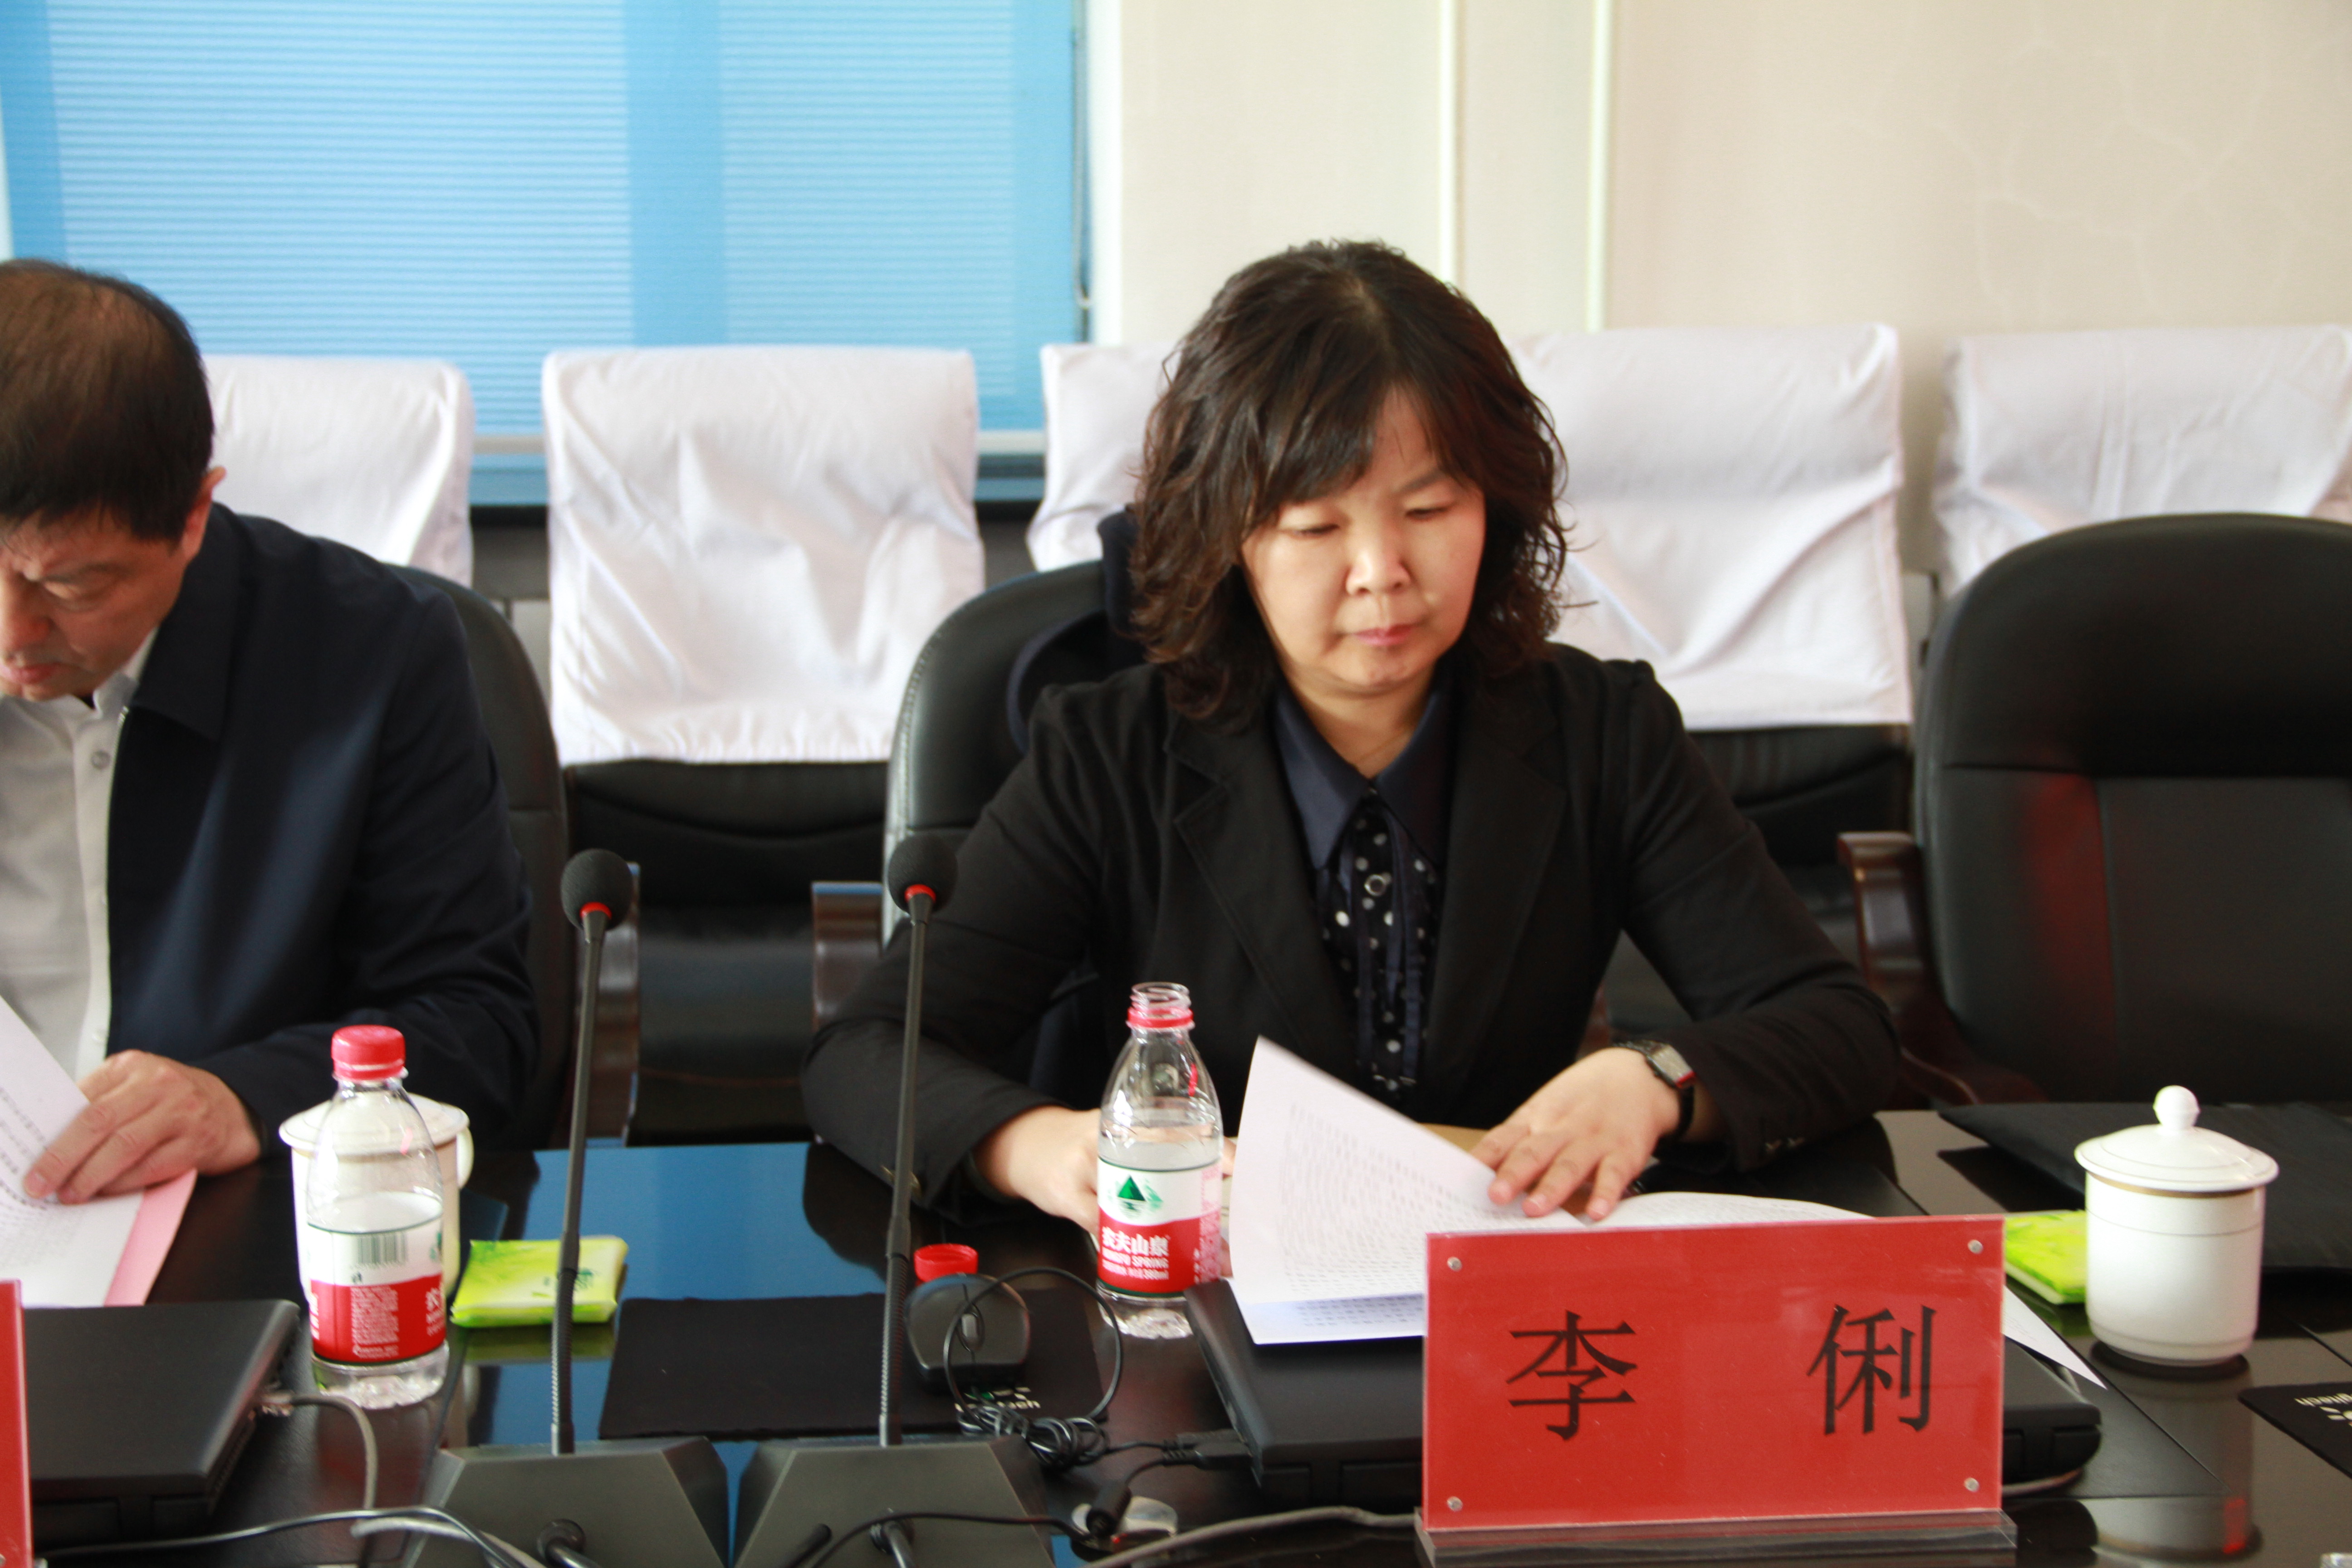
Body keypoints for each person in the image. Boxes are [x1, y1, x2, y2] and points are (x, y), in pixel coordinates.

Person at [804, 240, 1896, 1230]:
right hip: (1203, 1305)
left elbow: (1837, 1024)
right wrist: (1042, 1148)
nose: (1383, 572)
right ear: (1231, 540)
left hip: (1494, 1299)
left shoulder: (1602, 734)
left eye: (1429, 511)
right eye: (1318, 524)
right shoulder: (1110, 754)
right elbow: (864, 1055)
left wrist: (1658, 1079)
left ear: (1496, 509)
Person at [0, 259, 536, 1205]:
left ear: (194, 514)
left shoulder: (371, 655)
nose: (12, 633)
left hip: (260, 1220)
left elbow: (478, 1030)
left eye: (72, 586)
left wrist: (243, 1098)